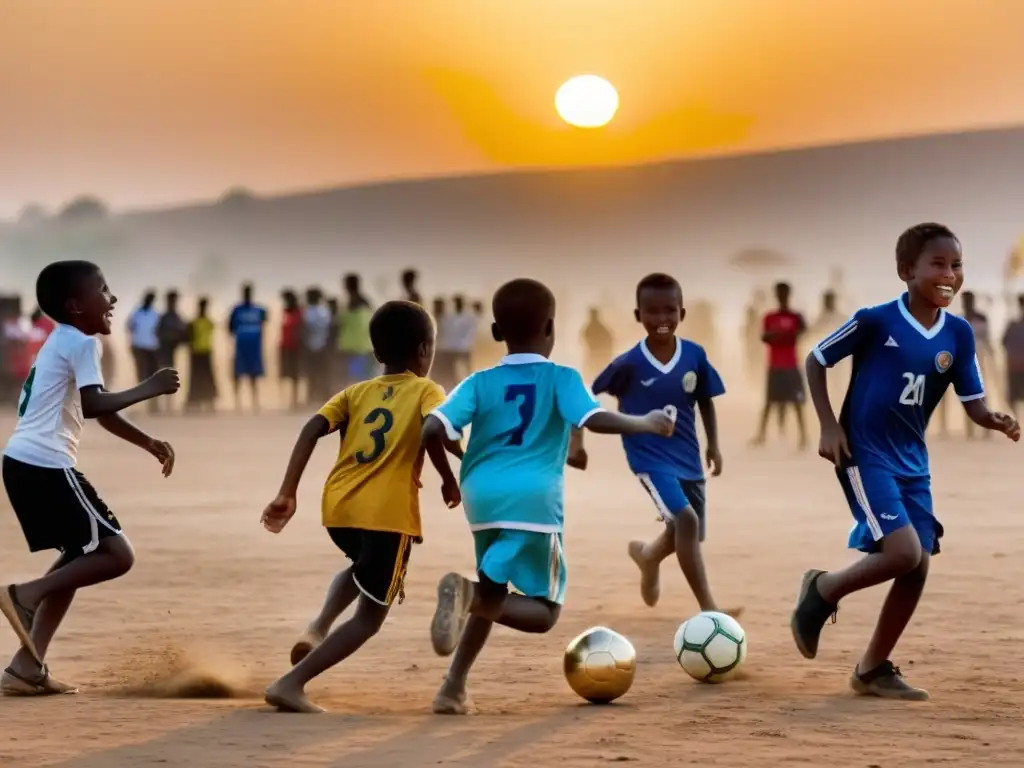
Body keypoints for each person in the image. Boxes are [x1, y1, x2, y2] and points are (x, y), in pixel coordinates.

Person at [421, 278, 674, 715]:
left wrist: (450, 473)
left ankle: (452, 686)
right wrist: (646, 423)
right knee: (543, 612)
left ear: (497, 333)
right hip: (534, 504)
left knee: (492, 588)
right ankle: (465, 595)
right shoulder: (561, 377)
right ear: (552, 328)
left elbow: (432, 429)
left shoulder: (478, 382)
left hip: (481, 498)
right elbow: (594, 418)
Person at [791, 223, 1020, 700]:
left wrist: (993, 418)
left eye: (956, 265)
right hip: (863, 453)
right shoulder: (875, 320)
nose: (949, 275)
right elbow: (815, 359)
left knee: (917, 565)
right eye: (937, 264)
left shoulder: (957, 334)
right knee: (901, 553)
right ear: (906, 271)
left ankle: (872, 669)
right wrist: (829, 425)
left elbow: (971, 400)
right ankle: (822, 589)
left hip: (913, 461)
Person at [259, 301, 460, 714]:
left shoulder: (355, 391)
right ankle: (291, 684)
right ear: (425, 350)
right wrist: (450, 474)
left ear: (376, 353)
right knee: (370, 617)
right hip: (386, 514)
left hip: (339, 507)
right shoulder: (428, 389)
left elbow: (311, 427)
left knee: (361, 567)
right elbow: (432, 430)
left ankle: (317, 627)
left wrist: (287, 491)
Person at [1, 260, 179, 696]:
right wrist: (150, 387)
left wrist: (147, 441)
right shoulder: (80, 343)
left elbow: (97, 411)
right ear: (77, 305)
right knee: (117, 555)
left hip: (25, 463)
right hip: (44, 464)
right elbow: (96, 404)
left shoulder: (63, 339)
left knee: (79, 558)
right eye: (103, 290)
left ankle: (27, 665)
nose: (112, 298)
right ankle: (24, 594)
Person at [580, 273, 739, 615]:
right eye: (652, 311)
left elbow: (705, 400)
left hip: (689, 456)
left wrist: (714, 445)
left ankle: (648, 555)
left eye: (670, 310)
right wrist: (577, 441)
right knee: (687, 521)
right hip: (649, 459)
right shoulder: (628, 363)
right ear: (638, 316)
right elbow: (583, 398)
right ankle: (710, 610)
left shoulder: (694, 355)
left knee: (689, 533)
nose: (662, 319)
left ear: (682, 312)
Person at [753, 282, 808, 448]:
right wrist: (782, 335)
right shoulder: (770, 317)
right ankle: (761, 436)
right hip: (776, 365)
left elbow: (803, 331)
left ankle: (803, 437)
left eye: (784, 293)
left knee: (797, 403)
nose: (782, 296)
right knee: (770, 402)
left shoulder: (796, 317)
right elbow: (764, 337)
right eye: (780, 293)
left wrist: (779, 335)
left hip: (790, 364)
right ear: (777, 295)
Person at [228, 283, 267, 412]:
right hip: (241, 347)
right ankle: (236, 403)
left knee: (254, 376)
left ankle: (255, 402)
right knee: (238, 375)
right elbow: (230, 327)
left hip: (255, 348)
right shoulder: (236, 310)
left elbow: (265, 323)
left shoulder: (259, 310)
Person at [961, 291, 995, 439]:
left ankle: (979, 429)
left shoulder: (962, 320)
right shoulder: (963, 320)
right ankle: (974, 430)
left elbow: (986, 341)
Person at [126, 290, 161, 414]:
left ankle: (153, 406)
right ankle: (141, 405)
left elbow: (159, 331)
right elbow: (129, 327)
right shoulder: (137, 314)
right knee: (141, 376)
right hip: (139, 348)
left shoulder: (155, 314)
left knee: (153, 376)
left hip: (152, 348)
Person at [338, 274, 374, 385]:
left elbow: (344, 325)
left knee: (354, 381)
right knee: (361, 381)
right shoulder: (367, 302)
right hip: (364, 347)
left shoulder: (350, 305)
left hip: (354, 349)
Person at [186, 297, 217, 412]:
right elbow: (188, 338)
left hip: (206, 352)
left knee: (207, 378)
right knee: (196, 378)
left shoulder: (209, 322)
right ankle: (196, 402)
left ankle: (209, 402)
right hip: (196, 353)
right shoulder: (193, 323)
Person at [302, 287, 332, 404]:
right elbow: (328, 329)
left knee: (310, 374)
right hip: (323, 347)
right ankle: (322, 397)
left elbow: (304, 330)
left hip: (309, 347)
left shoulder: (306, 312)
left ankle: (311, 397)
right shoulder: (324, 312)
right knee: (322, 373)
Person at [444, 295, 479, 386]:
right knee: (455, 370)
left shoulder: (467, 317)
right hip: (454, 348)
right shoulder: (451, 317)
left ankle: (468, 384)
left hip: (464, 347)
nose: (457, 304)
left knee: (465, 369)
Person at [278, 290, 303, 409]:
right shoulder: (285, 313)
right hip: (286, 346)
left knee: (295, 375)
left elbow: (301, 330)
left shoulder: (299, 313)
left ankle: (295, 400)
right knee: (287, 374)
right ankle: (287, 400)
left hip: (296, 348)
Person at [580, 307, 614, 383]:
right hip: (593, 355)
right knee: (590, 374)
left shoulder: (600, 328)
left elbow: (609, 340)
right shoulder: (590, 327)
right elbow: (584, 336)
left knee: (596, 372)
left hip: (599, 355)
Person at [1003, 294, 1024, 416]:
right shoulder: (1013, 325)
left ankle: (1018, 419)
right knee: (1013, 398)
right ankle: (1018, 420)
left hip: (1015, 366)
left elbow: (1004, 343)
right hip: (1015, 366)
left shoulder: (1013, 326)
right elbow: (1004, 343)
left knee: (1013, 398)